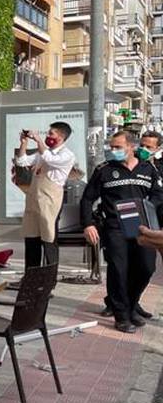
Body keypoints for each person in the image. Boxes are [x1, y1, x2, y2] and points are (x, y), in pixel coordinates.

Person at [81, 130, 163, 333]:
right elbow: (87, 198)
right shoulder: (105, 170)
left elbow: (158, 194)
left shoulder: (148, 169)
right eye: (112, 147)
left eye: (118, 147)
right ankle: (122, 316)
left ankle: (132, 304)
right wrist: (88, 224)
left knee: (146, 268)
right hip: (115, 227)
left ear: (131, 147)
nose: (114, 150)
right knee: (118, 270)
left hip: (143, 228)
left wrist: (148, 207)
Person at [16, 122, 76, 268]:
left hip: (50, 200)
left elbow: (50, 159)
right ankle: (31, 276)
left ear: (61, 137)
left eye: (51, 134)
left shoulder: (66, 155)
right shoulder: (42, 152)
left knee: (49, 238)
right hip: (34, 198)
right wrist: (23, 143)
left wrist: (38, 140)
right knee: (31, 237)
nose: (48, 136)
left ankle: (49, 278)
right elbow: (21, 161)